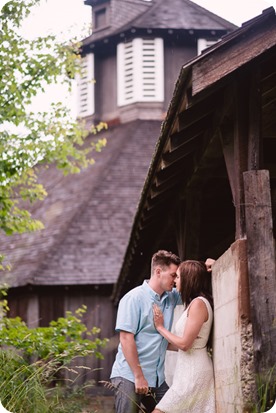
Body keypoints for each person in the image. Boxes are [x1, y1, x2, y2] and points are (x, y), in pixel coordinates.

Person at [110, 250, 182, 413]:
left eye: (177, 276)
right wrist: (138, 376)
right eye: (173, 275)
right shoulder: (133, 298)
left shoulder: (171, 297)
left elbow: (192, 286)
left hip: (157, 379)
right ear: (158, 272)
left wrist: (208, 269)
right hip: (130, 376)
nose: (175, 280)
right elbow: (126, 338)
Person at [152, 260, 215, 413]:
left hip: (193, 372)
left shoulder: (198, 304)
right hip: (186, 369)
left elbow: (185, 344)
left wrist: (160, 327)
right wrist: (159, 343)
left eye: (178, 277)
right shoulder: (194, 303)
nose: (174, 280)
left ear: (189, 280)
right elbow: (185, 344)